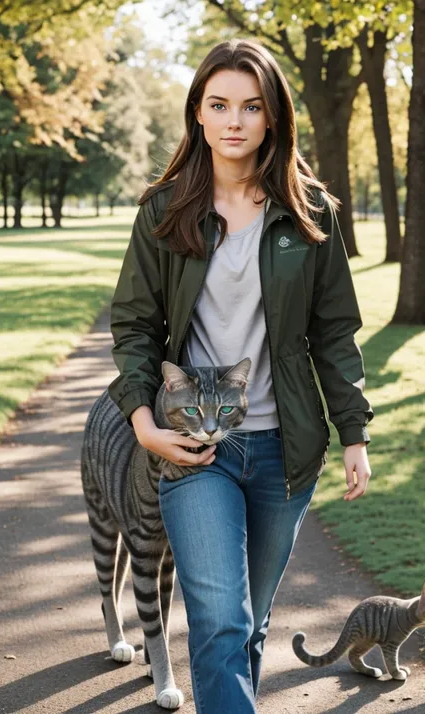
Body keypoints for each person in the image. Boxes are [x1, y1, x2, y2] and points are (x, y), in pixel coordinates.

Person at [107, 38, 373, 714]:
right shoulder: (164, 212)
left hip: (285, 451)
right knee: (222, 618)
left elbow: (334, 332)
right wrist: (144, 425)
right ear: (197, 112)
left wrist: (354, 434)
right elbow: (135, 328)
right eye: (219, 104)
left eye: (251, 106)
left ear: (272, 116)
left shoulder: (312, 213)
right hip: (195, 450)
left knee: (247, 623)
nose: (234, 121)